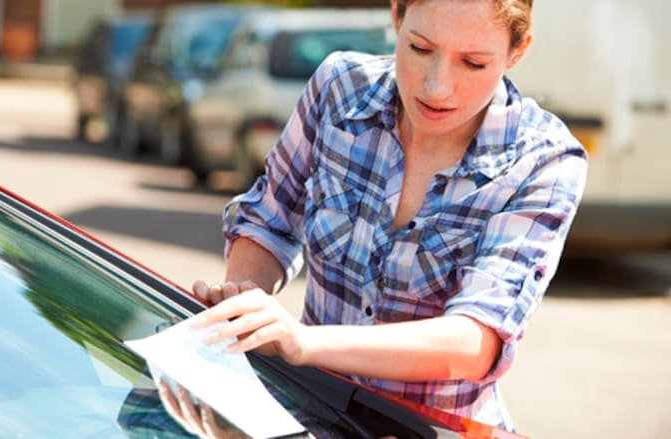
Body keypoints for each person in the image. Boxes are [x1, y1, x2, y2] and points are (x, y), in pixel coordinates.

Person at [183, 0, 587, 432]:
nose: (436, 86)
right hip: (309, 415)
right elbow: (270, 217)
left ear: (517, 50)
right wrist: (244, 307)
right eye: (420, 48)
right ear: (397, 15)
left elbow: (476, 340)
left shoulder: (545, 161)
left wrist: (304, 343)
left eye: (472, 63)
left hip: (435, 429)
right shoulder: (339, 89)